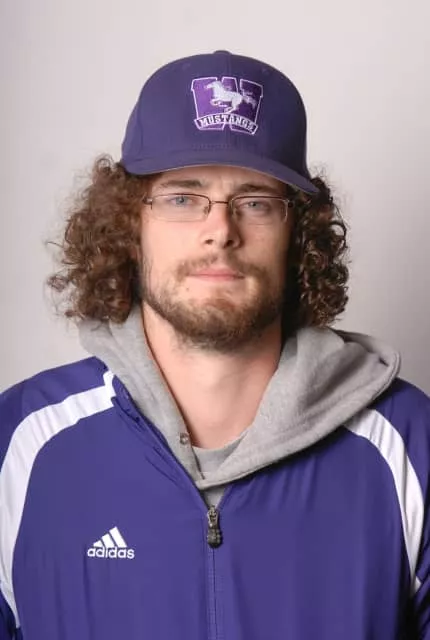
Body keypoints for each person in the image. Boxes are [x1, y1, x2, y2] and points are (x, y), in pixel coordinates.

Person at [0, 49, 429, 640]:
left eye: (255, 202)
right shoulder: (20, 444)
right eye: (182, 197)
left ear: (298, 234)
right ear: (129, 225)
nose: (220, 231)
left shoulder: (411, 446)